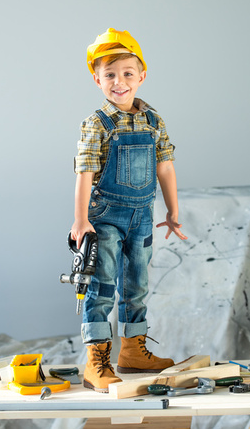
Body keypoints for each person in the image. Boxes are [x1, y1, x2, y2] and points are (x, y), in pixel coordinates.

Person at [71, 28, 187, 392]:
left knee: (137, 285)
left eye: (126, 73)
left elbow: (165, 166)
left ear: (141, 75)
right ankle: (96, 360)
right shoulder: (97, 123)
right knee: (102, 285)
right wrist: (80, 219)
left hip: (141, 216)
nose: (118, 82)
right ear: (96, 79)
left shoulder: (153, 121)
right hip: (103, 218)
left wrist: (172, 211)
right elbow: (85, 171)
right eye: (109, 75)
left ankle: (133, 351)